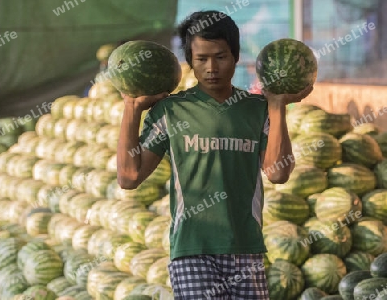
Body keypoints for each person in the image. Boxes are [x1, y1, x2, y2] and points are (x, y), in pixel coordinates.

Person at [116, 10, 313, 299]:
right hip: (192, 250)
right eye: (201, 59)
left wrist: (277, 105)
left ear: (235, 56)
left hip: (246, 249)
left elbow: (278, 173)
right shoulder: (171, 111)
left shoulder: (257, 109)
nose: (211, 68)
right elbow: (129, 177)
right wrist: (132, 109)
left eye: (220, 57)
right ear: (189, 62)